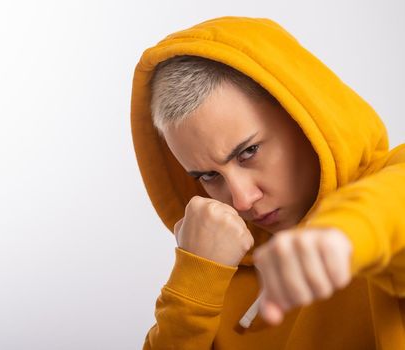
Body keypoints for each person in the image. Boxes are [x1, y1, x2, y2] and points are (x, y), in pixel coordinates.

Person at [130, 16, 405, 349]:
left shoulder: (391, 187)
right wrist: (196, 278)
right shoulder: (217, 266)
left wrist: (340, 235)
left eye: (249, 152)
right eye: (209, 176)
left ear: (302, 114)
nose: (242, 201)